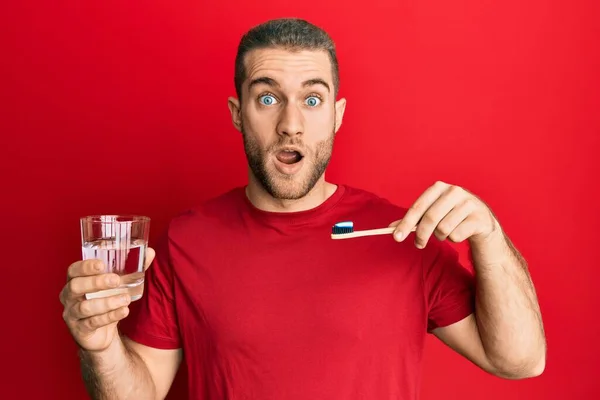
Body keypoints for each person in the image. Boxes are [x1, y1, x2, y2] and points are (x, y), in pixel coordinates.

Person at [59, 18, 546, 400]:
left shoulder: (402, 235)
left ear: (336, 115)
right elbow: (138, 392)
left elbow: (520, 362)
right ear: (237, 114)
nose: (291, 124)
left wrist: (489, 237)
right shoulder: (186, 240)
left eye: (312, 99)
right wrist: (99, 347)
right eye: (268, 97)